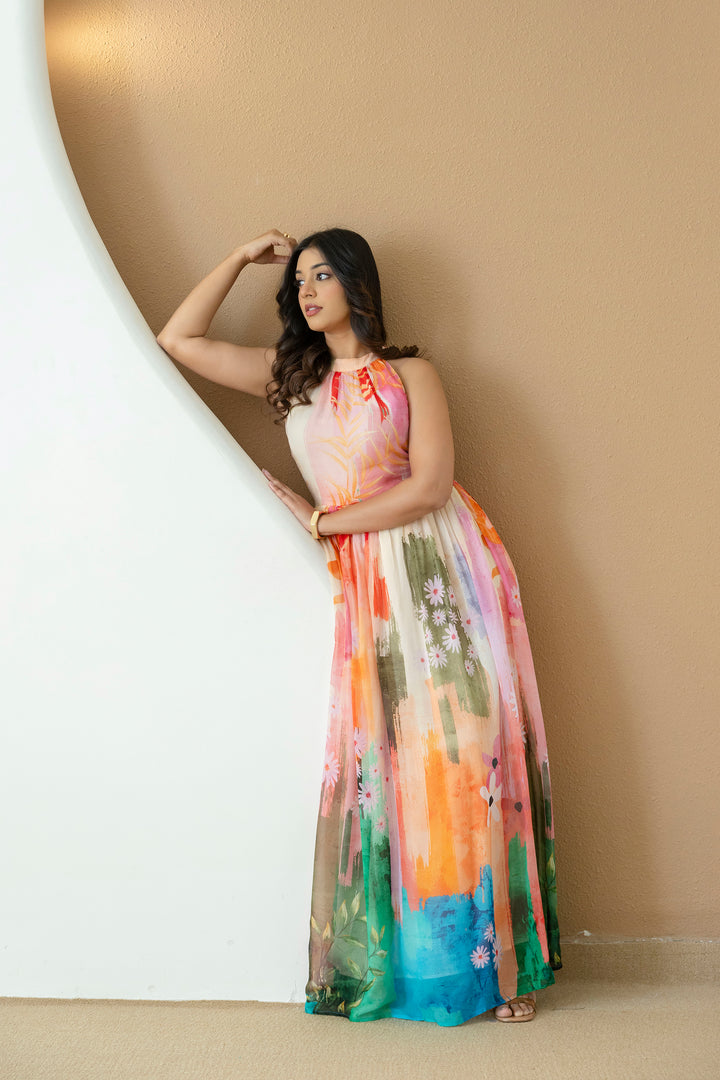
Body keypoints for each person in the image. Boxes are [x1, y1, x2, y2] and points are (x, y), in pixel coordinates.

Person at [157, 226, 562, 1026]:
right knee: (390, 768)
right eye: (298, 280)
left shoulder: (412, 373)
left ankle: (500, 970)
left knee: (467, 753)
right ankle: (414, 965)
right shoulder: (293, 378)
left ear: (357, 282)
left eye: (321, 275)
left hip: (441, 571)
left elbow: (431, 486)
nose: (306, 291)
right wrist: (239, 259)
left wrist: (322, 521)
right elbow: (179, 339)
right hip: (364, 587)